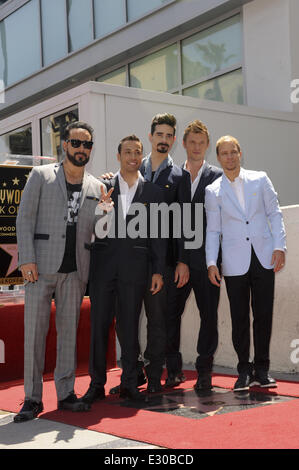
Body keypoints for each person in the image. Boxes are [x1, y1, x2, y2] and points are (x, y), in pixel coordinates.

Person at [14, 121, 106, 422]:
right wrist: (26, 258)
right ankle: (32, 398)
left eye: (87, 144)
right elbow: (24, 217)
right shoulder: (41, 175)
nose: (82, 149)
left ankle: (66, 393)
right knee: (34, 335)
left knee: (69, 334)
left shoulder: (96, 186)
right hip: (39, 268)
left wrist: (107, 213)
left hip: (75, 270)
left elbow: (97, 232)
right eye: (76, 143)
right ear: (64, 144)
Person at [81, 135, 165, 403]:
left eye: (137, 152)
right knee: (99, 327)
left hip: (136, 270)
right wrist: (102, 210)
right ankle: (96, 384)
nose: (132, 156)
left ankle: (130, 382)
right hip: (103, 269)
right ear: (118, 156)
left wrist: (157, 271)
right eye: (127, 152)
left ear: (141, 156)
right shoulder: (102, 186)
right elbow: (90, 230)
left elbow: (158, 236)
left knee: (129, 327)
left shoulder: (153, 192)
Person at [107, 113, 187, 395]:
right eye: (159, 135)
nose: (163, 140)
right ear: (151, 136)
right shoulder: (128, 170)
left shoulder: (180, 176)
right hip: (128, 265)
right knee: (126, 322)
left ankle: (154, 375)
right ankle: (132, 374)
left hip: (161, 263)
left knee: (158, 323)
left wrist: (180, 261)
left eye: (169, 136)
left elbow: (181, 224)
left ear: (173, 140)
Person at [205, 135, 286, 391]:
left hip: (263, 257)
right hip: (233, 261)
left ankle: (262, 370)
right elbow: (213, 231)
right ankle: (243, 370)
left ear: (240, 153)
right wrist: (211, 261)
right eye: (224, 153)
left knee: (263, 315)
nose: (229, 157)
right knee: (239, 317)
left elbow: (275, 212)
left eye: (233, 152)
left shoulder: (260, 179)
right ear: (218, 158)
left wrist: (279, 246)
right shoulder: (213, 191)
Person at [165, 120, 222, 391]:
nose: (197, 147)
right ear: (184, 143)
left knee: (208, 316)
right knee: (169, 315)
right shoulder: (173, 176)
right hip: (179, 262)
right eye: (192, 142)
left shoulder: (218, 177)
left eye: (202, 143)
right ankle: (174, 370)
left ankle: (204, 372)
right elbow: (172, 222)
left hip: (209, 261)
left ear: (207, 145)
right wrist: (181, 260)